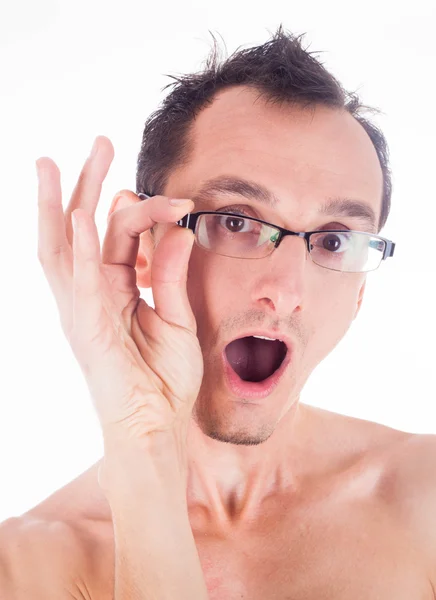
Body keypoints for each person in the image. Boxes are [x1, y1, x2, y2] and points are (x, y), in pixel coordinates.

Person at [1, 24, 435, 599]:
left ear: (360, 292)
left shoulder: (424, 498)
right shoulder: (25, 568)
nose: (285, 291)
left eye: (334, 241)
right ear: (144, 245)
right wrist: (143, 442)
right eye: (237, 222)